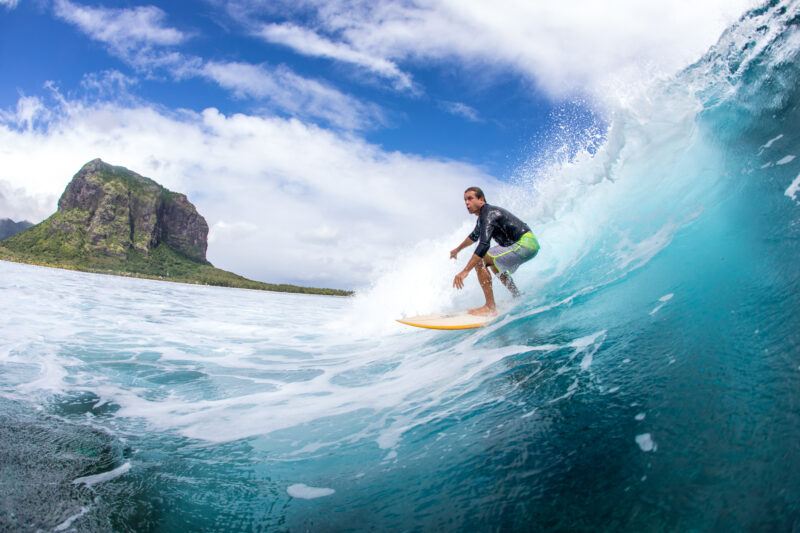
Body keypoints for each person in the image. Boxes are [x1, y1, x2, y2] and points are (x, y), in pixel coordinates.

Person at [450, 187, 540, 316]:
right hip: (525, 243)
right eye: (465, 200)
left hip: (525, 244)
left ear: (481, 199)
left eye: (470, 198)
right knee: (492, 262)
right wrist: (457, 249)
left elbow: (484, 244)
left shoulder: (488, 214)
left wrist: (465, 271)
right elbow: (474, 236)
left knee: (481, 260)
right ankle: (516, 295)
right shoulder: (483, 217)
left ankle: (490, 307)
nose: (467, 203)